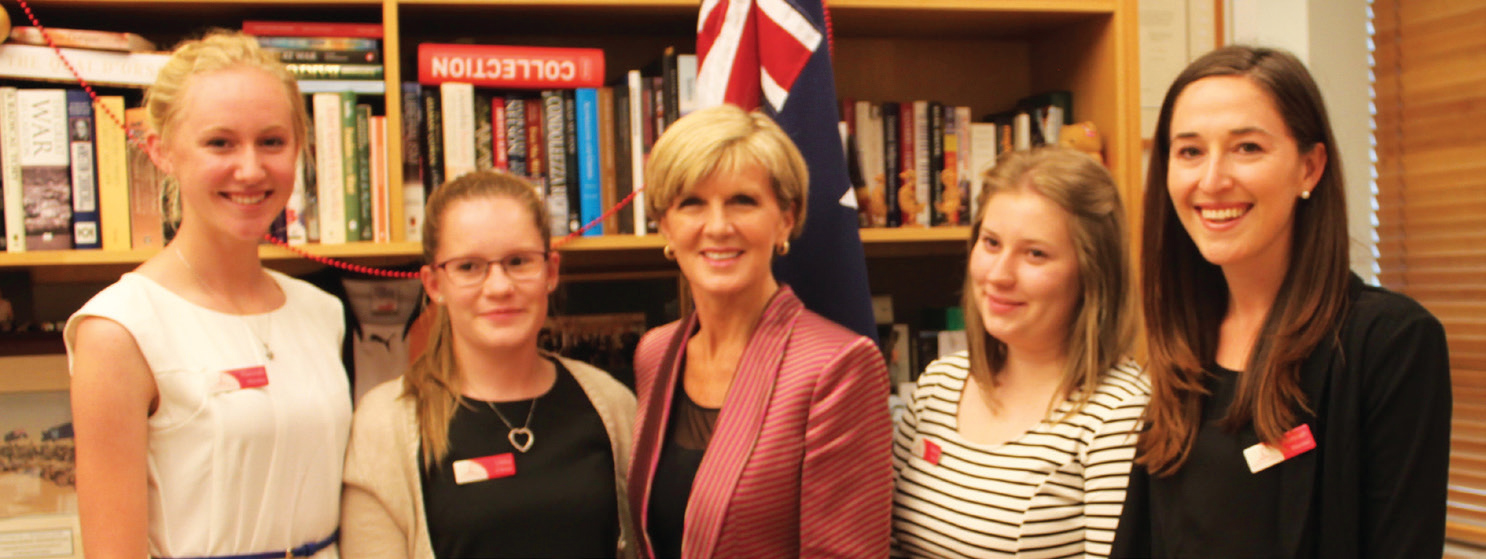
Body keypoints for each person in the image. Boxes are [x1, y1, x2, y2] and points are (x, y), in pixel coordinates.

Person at [1111, 45, 1451, 559]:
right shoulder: (1183, 337)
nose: (1212, 180)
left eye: (1247, 147)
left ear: (1310, 168)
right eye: (1189, 151)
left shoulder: (1390, 342)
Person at [64, 30, 348, 557]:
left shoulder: (322, 312)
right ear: (161, 152)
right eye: (220, 142)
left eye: (272, 141)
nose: (250, 169)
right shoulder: (119, 331)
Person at [626, 104, 894, 558]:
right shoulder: (657, 351)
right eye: (692, 203)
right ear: (665, 224)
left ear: (785, 219)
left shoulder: (838, 366)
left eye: (742, 201)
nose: (718, 226)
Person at [340, 170, 637, 558]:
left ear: (550, 271)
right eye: (469, 267)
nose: (499, 287)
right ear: (433, 285)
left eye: (518, 261)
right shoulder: (386, 424)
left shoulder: (612, 405)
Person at [891, 147, 1148, 558]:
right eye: (991, 243)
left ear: (1092, 273)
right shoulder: (939, 384)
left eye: (1035, 254)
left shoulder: (1117, 414)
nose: (999, 275)